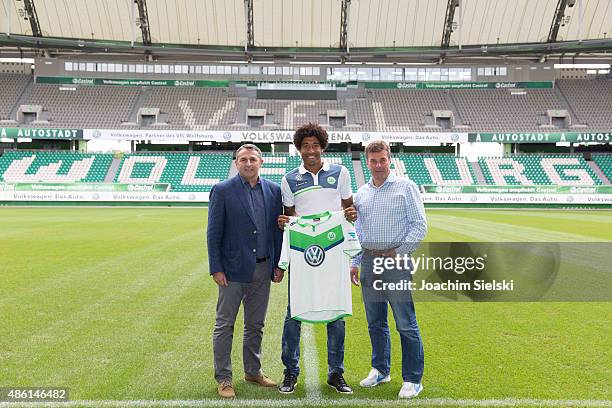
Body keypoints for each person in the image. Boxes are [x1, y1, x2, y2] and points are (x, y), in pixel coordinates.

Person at [276, 123, 355, 394]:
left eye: (315, 145)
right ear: (299, 148)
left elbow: (348, 208)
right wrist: (286, 222)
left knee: (336, 312)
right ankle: (290, 372)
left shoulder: (340, 172)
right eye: (305, 145)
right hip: (303, 251)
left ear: (323, 146)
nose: (311, 150)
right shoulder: (289, 179)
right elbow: (290, 215)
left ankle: (336, 373)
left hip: (333, 249)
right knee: (293, 313)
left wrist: (352, 215)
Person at [345, 140, 427, 399]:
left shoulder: (406, 187)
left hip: (395, 262)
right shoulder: (362, 193)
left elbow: (419, 225)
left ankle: (413, 379)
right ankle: (381, 370)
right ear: (367, 162)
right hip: (369, 261)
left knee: (405, 322)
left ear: (389, 159)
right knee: (375, 322)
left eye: (382, 160)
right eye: (373, 161)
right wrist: (356, 262)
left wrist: (398, 252)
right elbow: (358, 230)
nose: (378, 165)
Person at [207, 144, 285, 399]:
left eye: (253, 159)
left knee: (255, 324)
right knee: (225, 325)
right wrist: (216, 268)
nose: (248, 163)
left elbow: (276, 230)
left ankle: (253, 371)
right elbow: (214, 233)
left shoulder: (273, 191)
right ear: (236, 163)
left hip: (263, 269)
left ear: (261, 162)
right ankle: (224, 378)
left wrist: (277, 264)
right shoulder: (222, 190)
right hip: (232, 271)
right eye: (243, 160)